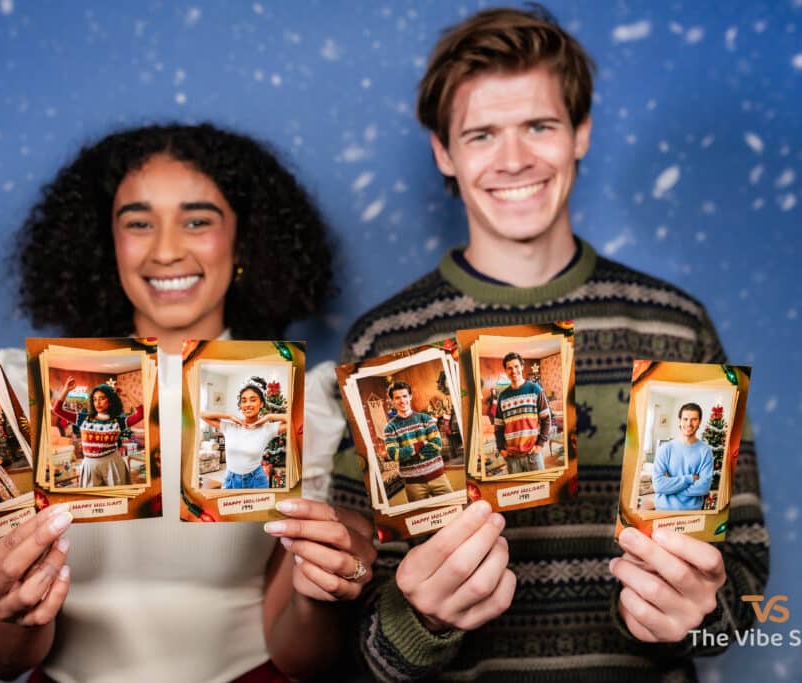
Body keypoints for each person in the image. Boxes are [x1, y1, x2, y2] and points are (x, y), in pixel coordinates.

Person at [329, 5, 769, 681]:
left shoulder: (674, 327)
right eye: (481, 134)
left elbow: (739, 582)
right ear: (443, 152)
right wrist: (421, 623)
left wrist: (700, 619)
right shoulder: (388, 345)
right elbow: (353, 642)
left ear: (581, 133)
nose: (514, 159)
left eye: (539, 125)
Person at [0, 123, 377, 682]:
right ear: (105, 243)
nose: (167, 249)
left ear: (244, 239)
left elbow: (303, 657)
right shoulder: (22, 391)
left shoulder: (299, 400)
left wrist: (322, 589)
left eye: (198, 220)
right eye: (138, 222)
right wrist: (5, 606)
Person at [51, 377, 143, 487]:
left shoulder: (119, 421)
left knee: (116, 498)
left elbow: (141, 413)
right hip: (90, 465)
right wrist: (66, 390)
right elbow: (56, 410)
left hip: (112, 463)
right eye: (95, 399)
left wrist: (127, 394)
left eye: (102, 398)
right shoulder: (83, 418)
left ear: (110, 401)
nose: (97, 402)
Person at [201, 376, 288, 490]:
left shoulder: (267, 428)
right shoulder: (230, 426)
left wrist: (268, 417)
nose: (247, 404)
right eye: (244, 400)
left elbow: (294, 420)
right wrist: (229, 416)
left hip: (256, 481)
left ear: (261, 404)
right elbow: (201, 414)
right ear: (240, 405)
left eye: (253, 400)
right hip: (230, 480)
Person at [382, 381, 452, 502]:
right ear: (392, 401)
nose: (402, 400)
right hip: (413, 484)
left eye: (404, 396)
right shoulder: (389, 428)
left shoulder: (425, 418)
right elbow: (394, 454)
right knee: (420, 518)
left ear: (410, 397)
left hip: (438, 477)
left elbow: (436, 444)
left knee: (453, 508)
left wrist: (410, 453)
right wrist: (422, 444)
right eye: (397, 398)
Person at [494, 352, 551, 473]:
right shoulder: (502, 397)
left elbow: (546, 419)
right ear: (505, 370)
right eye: (509, 368)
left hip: (533, 454)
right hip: (511, 457)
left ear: (522, 367)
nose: (513, 371)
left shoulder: (535, 389)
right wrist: (501, 448)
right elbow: (498, 426)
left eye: (516, 366)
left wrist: (540, 445)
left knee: (540, 488)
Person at [652, 403, 715, 511]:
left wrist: (671, 486)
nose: (689, 424)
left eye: (694, 419)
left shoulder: (706, 452)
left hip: (692, 513)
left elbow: (704, 487)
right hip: (663, 510)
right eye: (685, 419)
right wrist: (690, 478)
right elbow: (658, 485)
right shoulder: (665, 449)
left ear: (699, 422)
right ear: (679, 421)